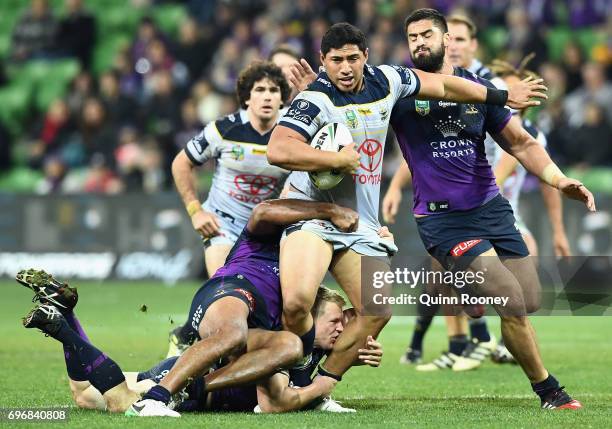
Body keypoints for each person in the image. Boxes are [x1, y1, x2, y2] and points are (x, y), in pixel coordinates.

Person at [266, 21, 546, 390]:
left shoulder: (389, 80)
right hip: (314, 214)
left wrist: (501, 95)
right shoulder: (314, 98)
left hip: (360, 222)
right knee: (298, 302)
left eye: (353, 58)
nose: (346, 67)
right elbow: (278, 149)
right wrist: (333, 160)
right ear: (323, 62)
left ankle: (320, 386)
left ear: (366, 56)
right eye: (336, 60)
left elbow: (446, 86)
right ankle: (296, 375)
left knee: (379, 310)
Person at [387, 8, 592, 409]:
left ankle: (465, 284)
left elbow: (521, 143)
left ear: (448, 40)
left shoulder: (478, 90)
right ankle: (550, 390)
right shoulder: (400, 89)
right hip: (442, 219)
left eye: (426, 34)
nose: (418, 43)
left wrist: (557, 178)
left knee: (529, 300)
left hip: (491, 209)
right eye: (411, 37)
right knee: (511, 303)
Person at [167, 61, 292, 357]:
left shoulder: (292, 133)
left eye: (273, 90)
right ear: (247, 97)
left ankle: (191, 336)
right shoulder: (223, 129)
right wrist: (196, 210)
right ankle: (203, 351)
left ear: (282, 98)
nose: (266, 96)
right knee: (227, 291)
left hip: (266, 232)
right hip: (224, 225)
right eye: (259, 90)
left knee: (281, 300)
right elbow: (181, 163)